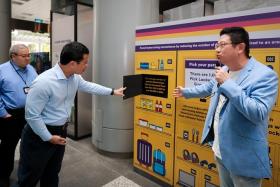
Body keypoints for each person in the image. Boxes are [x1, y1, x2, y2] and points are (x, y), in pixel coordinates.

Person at [173, 27, 278, 187]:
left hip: (243, 157)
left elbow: (258, 112)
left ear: (240, 47)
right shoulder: (224, 69)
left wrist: (228, 83)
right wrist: (186, 92)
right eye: (216, 45)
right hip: (220, 149)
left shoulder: (265, 75)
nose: (217, 49)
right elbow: (209, 87)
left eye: (222, 45)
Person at [14, 41, 126, 187]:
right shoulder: (44, 82)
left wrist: (112, 91)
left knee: (52, 173)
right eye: (85, 62)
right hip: (39, 135)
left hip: (60, 131)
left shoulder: (74, 77)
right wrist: (48, 137)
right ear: (73, 63)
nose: (87, 66)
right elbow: (32, 116)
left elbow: (89, 86)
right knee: (29, 177)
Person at [0, 44, 37, 187]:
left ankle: (27, 176)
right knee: (7, 148)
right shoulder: (2, 70)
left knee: (30, 145)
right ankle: (3, 176)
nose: (28, 59)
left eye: (29, 55)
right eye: (24, 56)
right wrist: (3, 113)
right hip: (11, 115)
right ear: (13, 56)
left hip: (30, 113)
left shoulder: (32, 69)